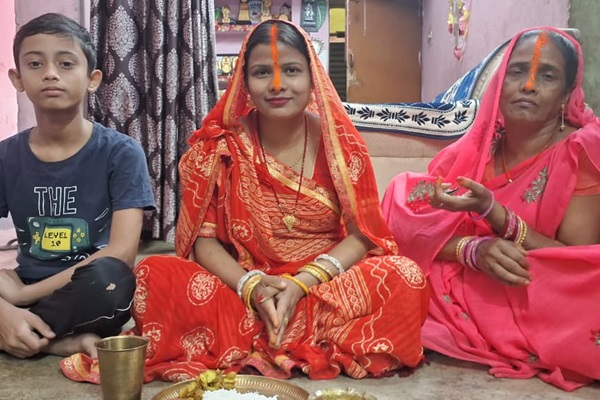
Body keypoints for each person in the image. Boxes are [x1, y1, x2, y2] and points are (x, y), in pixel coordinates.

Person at [61, 19, 428, 383]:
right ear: (244, 81)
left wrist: (303, 282)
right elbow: (204, 243)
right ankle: (291, 335)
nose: (278, 84)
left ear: (313, 76)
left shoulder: (341, 146)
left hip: (321, 286)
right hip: (244, 289)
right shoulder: (219, 148)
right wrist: (250, 287)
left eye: (291, 70)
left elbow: (363, 234)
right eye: (262, 72)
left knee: (405, 276)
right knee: (153, 274)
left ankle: (260, 339)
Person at [381, 27, 600, 391]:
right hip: (469, 277)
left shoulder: (581, 150)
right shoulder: (477, 147)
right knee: (389, 261)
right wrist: (471, 250)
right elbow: (401, 214)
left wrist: (497, 216)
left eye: (547, 76)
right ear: (500, 82)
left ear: (566, 94)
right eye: (517, 72)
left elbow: (575, 264)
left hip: (537, 288)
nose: (528, 86)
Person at [0, 13, 155, 359]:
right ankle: (51, 340)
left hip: (87, 291)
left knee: (115, 281)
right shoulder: (5, 157)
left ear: (92, 79)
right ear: (18, 78)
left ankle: (23, 333)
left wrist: (22, 298)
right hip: (26, 283)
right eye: (35, 64)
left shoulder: (121, 153)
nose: (50, 73)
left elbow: (121, 251)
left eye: (66, 63)